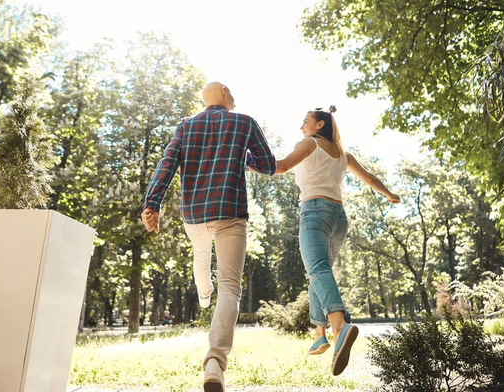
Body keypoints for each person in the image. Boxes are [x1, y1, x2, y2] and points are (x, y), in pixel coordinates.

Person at [142, 81, 276, 392]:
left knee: (201, 255)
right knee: (230, 287)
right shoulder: (245, 122)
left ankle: (204, 295)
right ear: (226, 94)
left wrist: (153, 203)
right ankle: (215, 361)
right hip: (230, 211)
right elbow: (268, 165)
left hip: (195, 214)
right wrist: (242, 159)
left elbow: (168, 163)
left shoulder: (186, 125)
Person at [275, 106, 400, 376]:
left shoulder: (310, 143)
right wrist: (389, 194)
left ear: (320, 125)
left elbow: (281, 166)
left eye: (306, 121)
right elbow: (368, 178)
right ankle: (320, 333)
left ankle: (339, 327)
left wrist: (246, 161)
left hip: (315, 212)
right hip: (339, 218)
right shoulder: (343, 154)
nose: (302, 126)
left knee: (317, 269)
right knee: (319, 273)